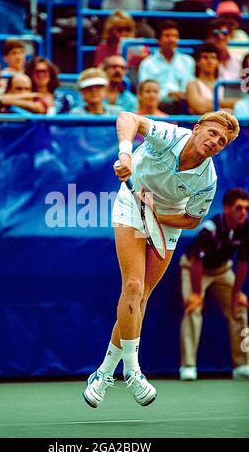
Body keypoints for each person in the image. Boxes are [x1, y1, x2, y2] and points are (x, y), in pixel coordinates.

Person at [83, 110, 240, 408]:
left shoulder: (207, 181)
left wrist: (158, 216)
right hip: (133, 201)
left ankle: (103, 373)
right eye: (212, 133)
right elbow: (128, 117)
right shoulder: (169, 136)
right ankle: (132, 372)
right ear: (196, 129)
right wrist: (126, 155)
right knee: (132, 286)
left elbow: (192, 220)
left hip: (167, 220)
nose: (215, 141)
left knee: (140, 298)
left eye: (222, 141)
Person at [179, 188, 249, 381]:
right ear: (226, 208)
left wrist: (236, 295)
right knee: (193, 309)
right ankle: (188, 366)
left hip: (222, 271)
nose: (243, 212)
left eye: (246, 208)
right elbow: (196, 261)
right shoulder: (210, 228)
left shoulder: (245, 229)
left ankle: (242, 365)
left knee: (240, 309)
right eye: (239, 208)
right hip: (194, 269)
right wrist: (195, 293)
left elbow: (243, 263)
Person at [138, 20, 195, 114]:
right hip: (158, 104)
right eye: (167, 36)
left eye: (174, 36)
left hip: (184, 104)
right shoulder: (147, 63)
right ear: (158, 40)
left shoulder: (188, 61)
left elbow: (189, 86)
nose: (171, 39)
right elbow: (145, 90)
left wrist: (182, 95)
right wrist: (168, 94)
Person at [186, 43, 237, 115]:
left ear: (218, 62)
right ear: (197, 62)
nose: (209, 61)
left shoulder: (223, 83)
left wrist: (208, 103)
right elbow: (200, 107)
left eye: (213, 57)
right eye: (205, 57)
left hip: (225, 124)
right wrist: (227, 104)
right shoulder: (192, 84)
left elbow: (240, 104)